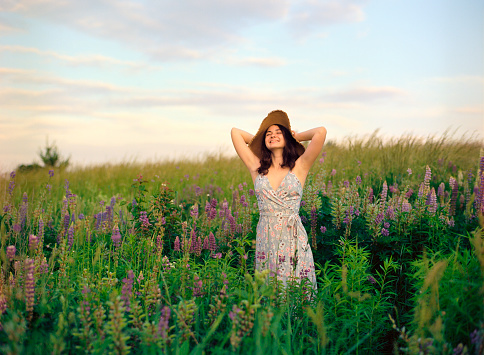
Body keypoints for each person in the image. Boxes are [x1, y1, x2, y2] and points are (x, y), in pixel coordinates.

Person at [231, 110, 327, 289]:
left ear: (287, 138)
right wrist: (262, 141)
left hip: (293, 237)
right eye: (269, 134)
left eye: (278, 133)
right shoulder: (256, 168)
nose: (273, 136)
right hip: (266, 237)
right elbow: (235, 132)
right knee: (270, 288)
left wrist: (296, 136)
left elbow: (320, 132)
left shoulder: (300, 167)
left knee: (296, 287)